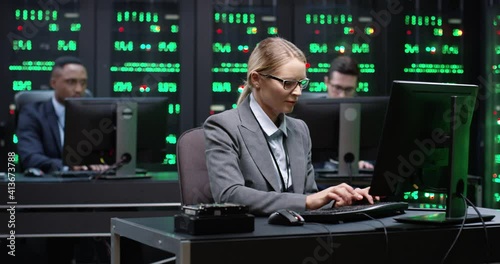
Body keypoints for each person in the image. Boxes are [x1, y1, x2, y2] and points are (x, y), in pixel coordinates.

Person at [203, 37, 377, 216]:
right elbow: (230, 195)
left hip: (298, 234)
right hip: (254, 237)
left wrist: (342, 199)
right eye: (288, 83)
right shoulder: (223, 127)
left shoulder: (300, 130)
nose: (298, 92)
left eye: (301, 83)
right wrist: (308, 201)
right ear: (256, 79)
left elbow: (309, 198)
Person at [16, 56, 108, 173]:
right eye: (71, 82)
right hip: (49, 185)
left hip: (89, 183)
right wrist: (68, 166)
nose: (79, 89)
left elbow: (104, 155)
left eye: (83, 83)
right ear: (53, 83)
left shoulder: (93, 115)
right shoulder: (33, 114)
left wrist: (100, 163)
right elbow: (30, 157)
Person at [324, 55, 374, 170]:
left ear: (356, 86)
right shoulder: (311, 114)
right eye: (337, 88)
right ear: (326, 82)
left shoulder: (368, 113)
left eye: (348, 89)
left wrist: (365, 161)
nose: (342, 95)